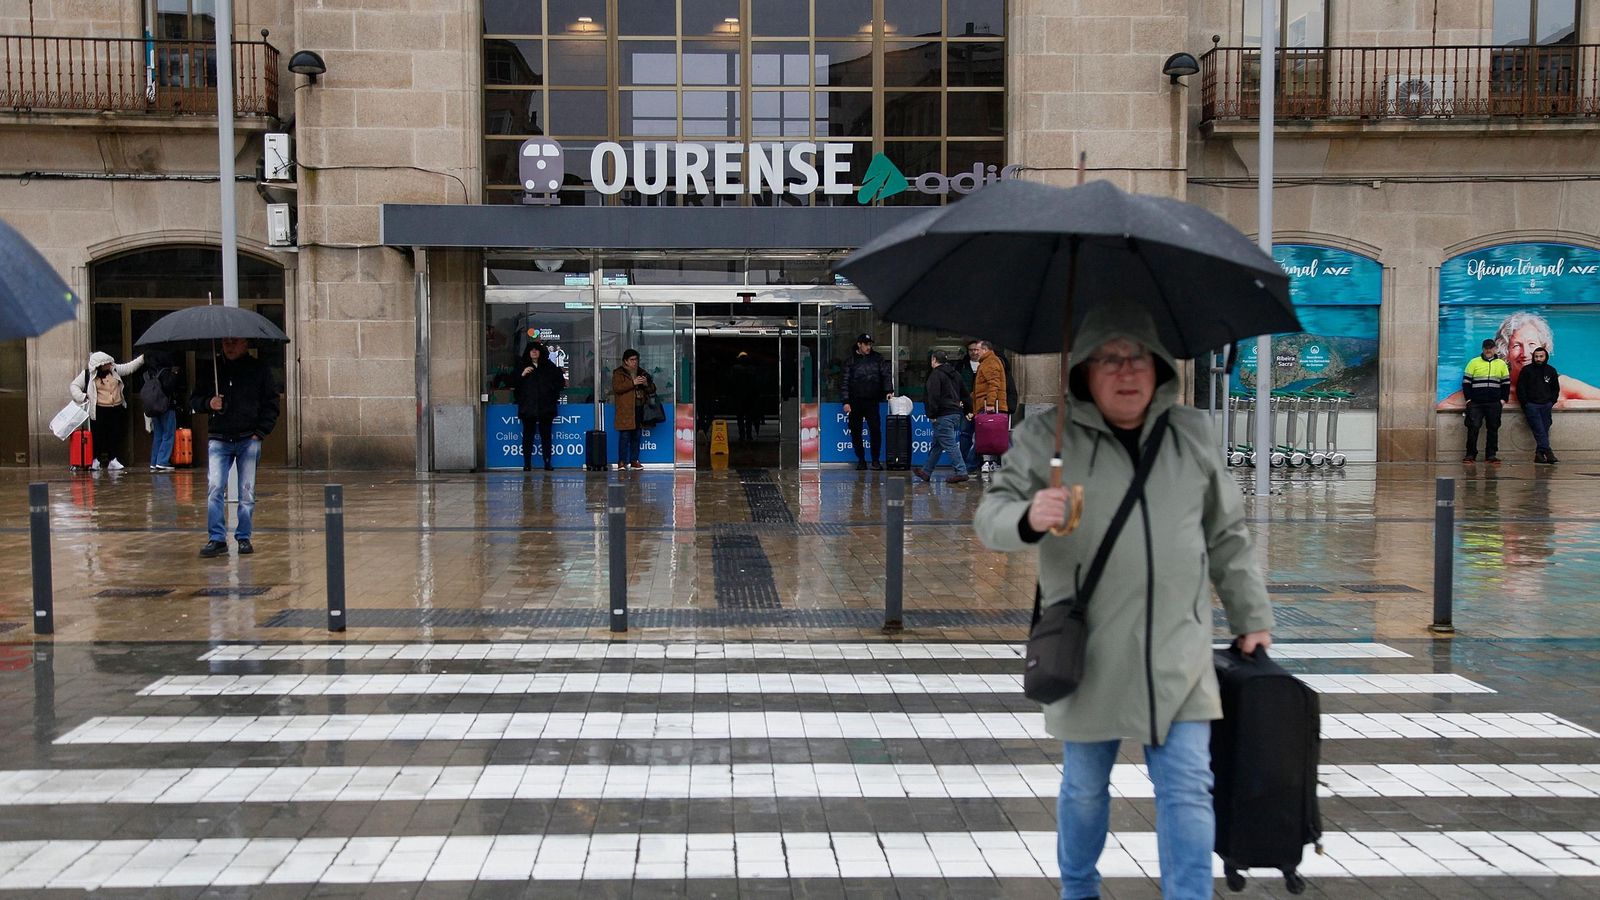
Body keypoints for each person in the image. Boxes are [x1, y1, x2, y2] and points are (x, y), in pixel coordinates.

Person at [975, 305, 1273, 900]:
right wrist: (1029, 517)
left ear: (1160, 367)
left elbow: (1226, 534)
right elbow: (991, 516)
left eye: (1139, 357)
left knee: (1187, 787)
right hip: (1089, 652)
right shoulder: (1047, 436)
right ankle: (1078, 890)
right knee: (1085, 789)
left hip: (1177, 648)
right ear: (1084, 371)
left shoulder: (1191, 433)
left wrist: (1251, 616)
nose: (1127, 371)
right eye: (1109, 359)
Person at [191, 337, 279, 558]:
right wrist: (209, 403)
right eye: (226, 342)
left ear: (245, 344)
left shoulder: (258, 369)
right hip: (219, 437)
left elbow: (271, 402)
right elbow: (194, 400)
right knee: (215, 488)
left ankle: (244, 536)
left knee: (246, 491)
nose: (229, 346)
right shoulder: (212, 369)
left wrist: (260, 432)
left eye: (234, 342)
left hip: (248, 438)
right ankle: (217, 538)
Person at [1436, 310, 1600, 409]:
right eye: (1516, 345)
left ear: (1543, 348)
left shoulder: (1560, 384)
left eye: (1532, 344)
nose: (1525, 353)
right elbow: (1443, 406)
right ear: (1505, 351)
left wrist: (1568, 404)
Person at [68, 350, 145, 472]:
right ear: (100, 365)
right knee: (98, 436)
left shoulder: (114, 370)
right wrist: (83, 397)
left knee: (114, 435)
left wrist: (142, 358)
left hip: (116, 408)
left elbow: (128, 367)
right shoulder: (88, 374)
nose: (110, 364)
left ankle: (113, 460)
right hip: (99, 410)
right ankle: (95, 460)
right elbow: (74, 386)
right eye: (107, 363)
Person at [913, 349, 970, 485]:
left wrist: (932, 414)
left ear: (933, 359)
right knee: (937, 444)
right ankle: (926, 471)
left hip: (943, 414)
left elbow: (933, 396)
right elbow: (965, 393)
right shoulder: (955, 374)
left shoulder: (936, 375)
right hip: (955, 413)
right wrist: (969, 410)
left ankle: (961, 471)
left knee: (949, 444)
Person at [842, 333, 893, 471]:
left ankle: (875, 460)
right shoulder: (851, 361)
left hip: (872, 400)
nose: (868, 347)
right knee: (855, 431)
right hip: (855, 401)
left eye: (870, 344)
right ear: (859, 344)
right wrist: (846, 401)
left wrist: (888, 390)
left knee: (875, 430)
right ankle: (861, 460)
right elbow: (845, 382)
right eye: (866, 344)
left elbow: (886, 375)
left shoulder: (877, 358)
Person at [515, 341, 564, 471]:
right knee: (528, 436)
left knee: (546, 436)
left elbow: (560, 382)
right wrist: (522, 375)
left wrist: (551, 394)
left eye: (536, 349)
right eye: (531, 350)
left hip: (545, 407)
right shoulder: (522, 366)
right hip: (528, 407)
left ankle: (547, 462)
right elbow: (514, 385)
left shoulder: (549, 366)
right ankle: (527, 463)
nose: (534, 352)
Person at [1462, 338, 1510, 463]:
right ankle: (1470, 454)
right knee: (1473, 427)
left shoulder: (1501, 364)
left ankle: (1491, 455)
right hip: (1476, 403)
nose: (1488, 350)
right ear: (1483, 349)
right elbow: (1466, 383)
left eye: (1491, 348)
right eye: (1486, 348)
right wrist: (1468, 400)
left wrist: (1503, 400)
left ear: (1495, 349)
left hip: (1494, 403)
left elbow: (1506, 383)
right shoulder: (1473, 362)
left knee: (1493, 428)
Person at [968, 339, 1009, 475]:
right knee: (995, 437)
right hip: (986, 404)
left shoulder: (989, 362)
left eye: (978, 350)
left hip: (989, 406)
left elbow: (993, 384)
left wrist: (990, 403)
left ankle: (969, 466)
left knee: (984, 437)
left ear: (985, 350)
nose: (976, 352)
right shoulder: (987, 362)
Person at [611, 348, 655, 470]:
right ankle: (622, 461)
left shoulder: (642, 372)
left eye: (636, 359)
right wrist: (633, 383)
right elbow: (617, 388)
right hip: (626, 409)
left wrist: (646, 384)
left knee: (637, 435)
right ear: (625, 361)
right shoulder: (619, 373)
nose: (635, 362)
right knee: (625, 436)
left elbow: (652, 389)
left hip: (639, 407)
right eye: (632, 360)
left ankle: (634, 460)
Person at [1518, 346, 1560, 463]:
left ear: (1546, 357)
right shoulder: (1526, 370)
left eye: (1541, 356)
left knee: (1544, 429)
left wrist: (1551, 402)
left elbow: (1555, 389)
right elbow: (1521, 388)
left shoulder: (1551, 371)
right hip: (1532, 406)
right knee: (1539, 429)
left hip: (1546, 405)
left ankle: (1539, 454)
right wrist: (1526, 403)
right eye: (1536, 356)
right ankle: (1548, 452)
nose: (1538, 359)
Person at [144, 351, 183, 472]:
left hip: (154, 407)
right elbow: (169, 387)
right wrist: (174, 374)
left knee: (158, 434)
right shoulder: (165, 371)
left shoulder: (149, 372)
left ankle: (154, 461)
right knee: (168, 434)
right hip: (166, 406)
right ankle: (162, 461)